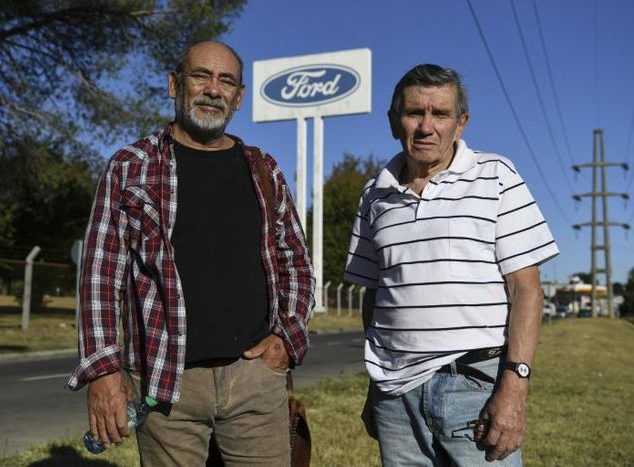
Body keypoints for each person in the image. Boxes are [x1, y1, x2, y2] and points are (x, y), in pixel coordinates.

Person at [66, 40, 315, 466]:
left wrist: (286, 341)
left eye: (226, 81)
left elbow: (295, 261)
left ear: (239, 97)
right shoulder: (131, 166)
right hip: (166, 384)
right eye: (201, 76)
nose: (213, 90)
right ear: (174, 85)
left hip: (256, 378)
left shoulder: (263, 169)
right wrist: (103, 370)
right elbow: (100, 276)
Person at [344, 64, 559, 466]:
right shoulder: (373, 195)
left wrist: (514, 388)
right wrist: (376, 386)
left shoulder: (496, 175)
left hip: (476, 386)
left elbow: (526, 289)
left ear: (460, 124)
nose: (426, 126)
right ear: (394, 122)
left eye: (440, 114)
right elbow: (376, 294)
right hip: (396, 396)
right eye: (414, 113)